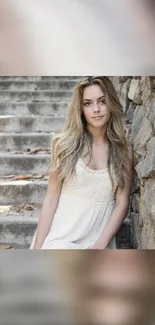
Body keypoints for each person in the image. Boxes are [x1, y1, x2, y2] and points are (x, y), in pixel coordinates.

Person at [30, 76, 133, 250]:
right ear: (80, 108)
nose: (96, 109)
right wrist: (38, 246)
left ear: (111, 103)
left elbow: (122, 205)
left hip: (97, 240)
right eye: (88, 103)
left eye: (102, 101)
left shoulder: (123, 149)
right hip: (60, 238)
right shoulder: (64, 145)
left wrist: (99, 246)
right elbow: (51, 198)